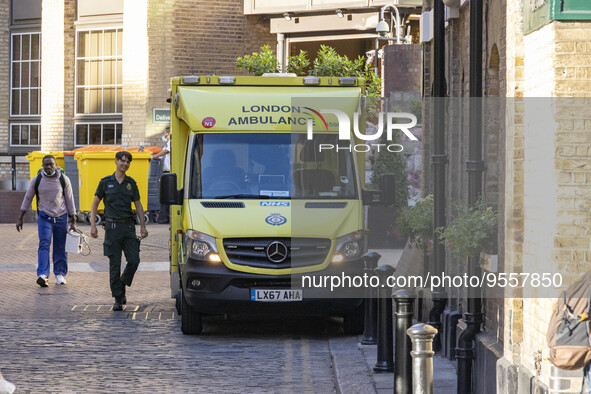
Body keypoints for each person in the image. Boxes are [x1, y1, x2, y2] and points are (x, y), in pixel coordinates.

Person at [90, 151, 148, 311]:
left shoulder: (131, 183)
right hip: (112, 228)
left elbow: (138, 204)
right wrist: (93, 225)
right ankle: (118, 297)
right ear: (116, 161)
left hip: (128, 227)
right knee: (114, 265)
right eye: (122, 161)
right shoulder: (105, 182)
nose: (125, 164)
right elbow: (95, 203)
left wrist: (143, 226)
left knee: (134, 260)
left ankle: (122, 283)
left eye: (128, 162)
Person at [16, 155, 77, 287]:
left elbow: (70, 200)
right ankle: (43, 275)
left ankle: (59, 274)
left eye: (51, 164)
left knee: (60, 246)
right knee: (44, 244)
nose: (49, 167)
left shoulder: (64, 180)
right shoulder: (37, 180)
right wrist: (20, 217)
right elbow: (28, 197)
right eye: (46, 165)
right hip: (45, 217)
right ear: (42, 166)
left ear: (55, 165)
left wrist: (73, 220)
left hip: (61, 217)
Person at [151, 126, 170, 224]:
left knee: (167, 196)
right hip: (165, 173)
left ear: (168, 133)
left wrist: (154, 156)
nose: (164, 135)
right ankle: (163, 218)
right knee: (165, 196)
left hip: (170, 173)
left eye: (164, 133)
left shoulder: (172, 143)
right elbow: (164, 156)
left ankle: (164, 218)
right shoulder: (166, 145)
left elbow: (165, 152)